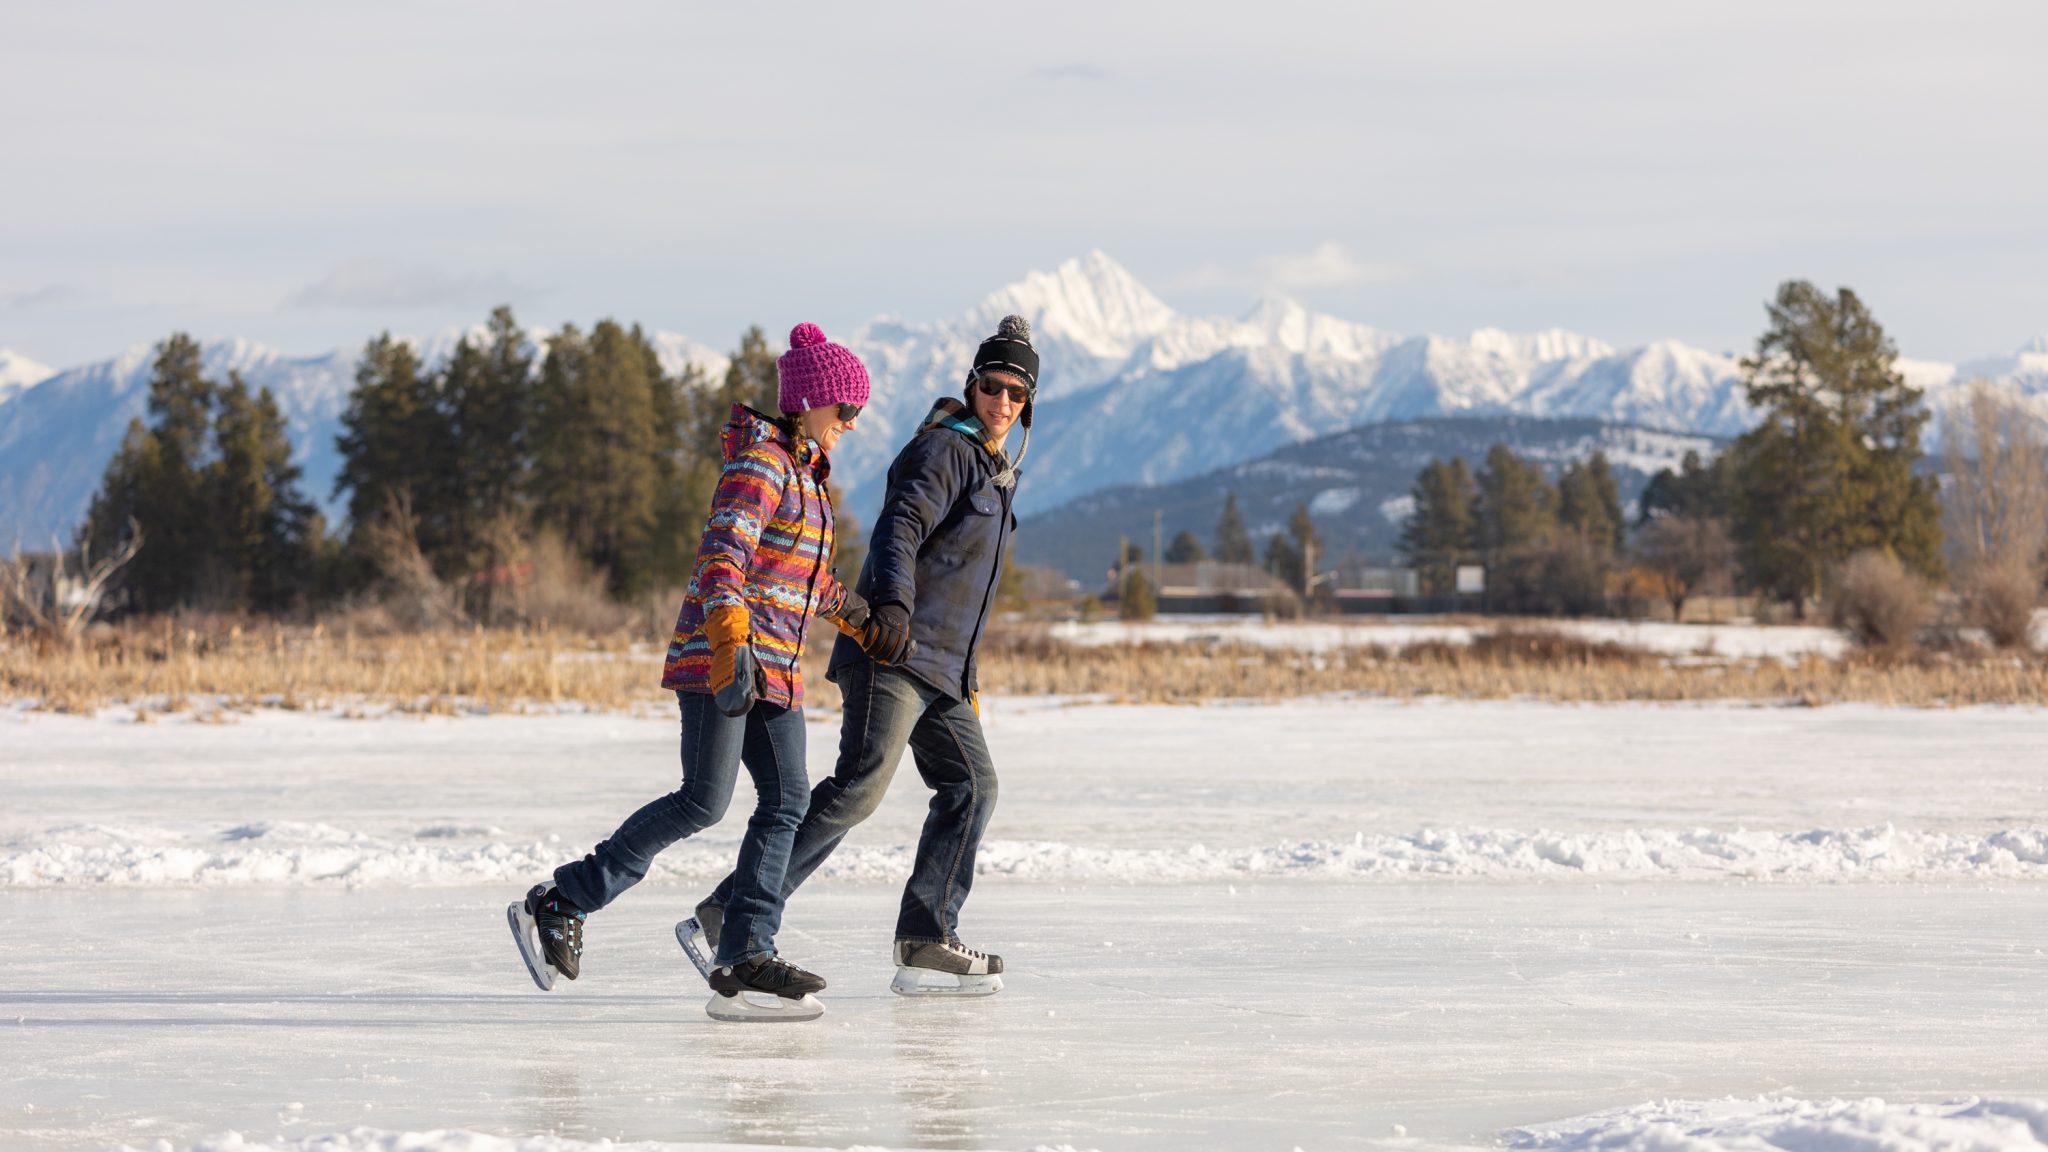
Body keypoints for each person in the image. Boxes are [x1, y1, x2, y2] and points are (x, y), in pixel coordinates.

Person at [509, 321, 884, 1014]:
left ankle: (745, 953)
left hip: (776, 669)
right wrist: (729, 643)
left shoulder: (808, 478)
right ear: (810, 403)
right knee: (703, 801)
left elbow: (803, 578)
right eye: (847, 411)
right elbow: (725, 559)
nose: (852, 426)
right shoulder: (761, 466)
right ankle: (563, 899)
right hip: (727, 661)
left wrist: (861, 617)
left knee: (787, 802)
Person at [691, 313, 1038, 996]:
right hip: (896, 652)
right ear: (971, 387)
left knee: (973, 786)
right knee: (858, 789)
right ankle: (732, 910)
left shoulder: (994, 469)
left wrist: (965, 673)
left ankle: (926, 935)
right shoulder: (945, 450)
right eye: (992, 387)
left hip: (942, 670)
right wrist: (892, 613)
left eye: (1016, 394)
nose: (1002, 402)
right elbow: (900, 528)